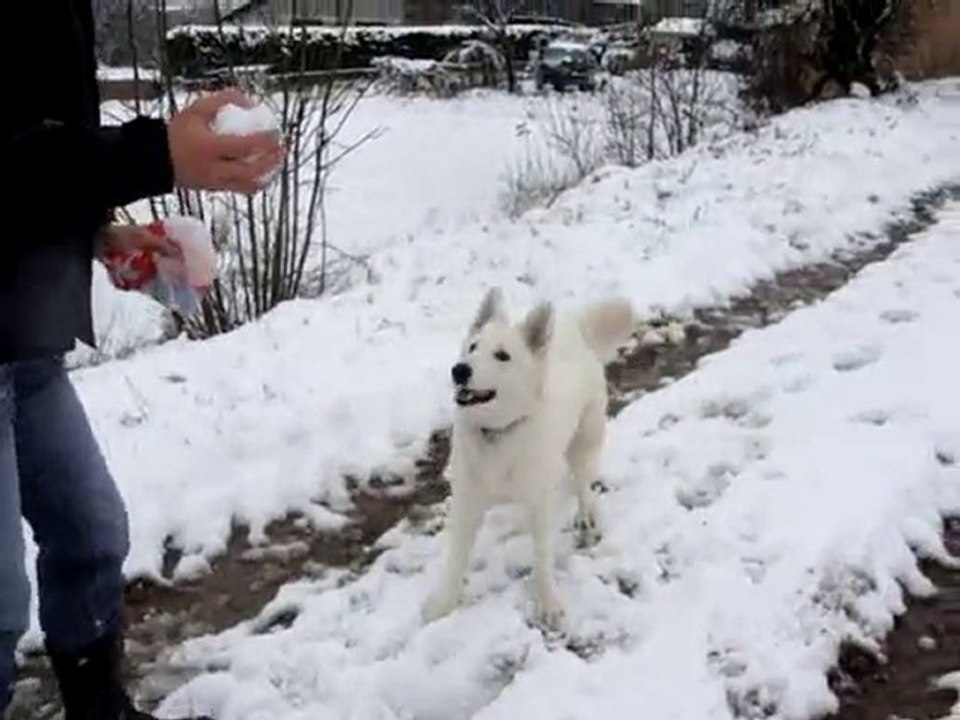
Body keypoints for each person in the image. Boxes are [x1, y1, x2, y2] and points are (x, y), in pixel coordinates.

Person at [1, 2, 284, 719]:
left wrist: (99, 231)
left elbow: (38, 148)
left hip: (26, 345)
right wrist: (155, 155)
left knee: (93, 537)